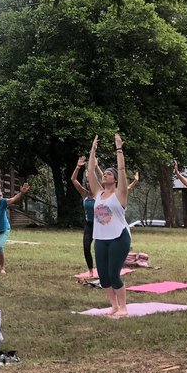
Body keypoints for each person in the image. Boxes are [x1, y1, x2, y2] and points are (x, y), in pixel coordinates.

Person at [87, 134, 132, 317]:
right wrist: (92, 150)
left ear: (114, 179)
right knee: (103, 277)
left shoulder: (120, 193)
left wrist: (119, 148)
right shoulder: (98, 193)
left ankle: (123, 307)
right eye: (104, 172)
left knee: (114, 274)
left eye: (108, 173)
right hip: (100, 238)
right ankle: (113, 305)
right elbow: (90, 171)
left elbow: (121, 170)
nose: (104, 174)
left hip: (119, 237)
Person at [69, 156, 97, 278]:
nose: (88, 185)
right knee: (86, 246)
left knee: (100, 249)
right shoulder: (84, 193)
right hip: (89, 224)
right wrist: (78, 167)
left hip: (101, 225)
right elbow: (73, 179)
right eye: (87, 183)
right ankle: (91, 270)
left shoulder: (100, 194)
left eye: (91, 182)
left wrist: (95, 168)